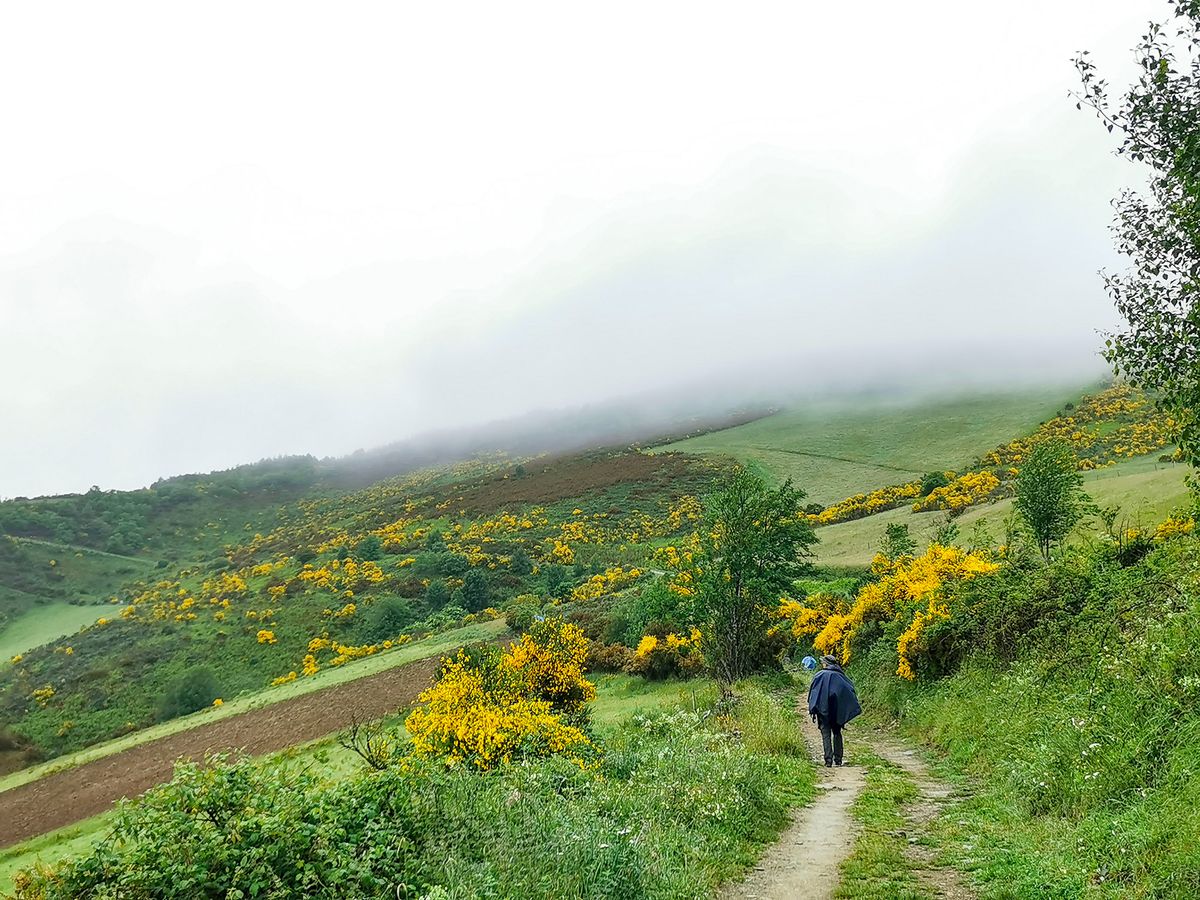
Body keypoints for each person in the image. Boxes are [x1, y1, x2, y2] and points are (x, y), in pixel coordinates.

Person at [807, 654, 861, 766]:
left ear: (826, 664)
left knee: (825, 733)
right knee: (837, 732)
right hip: (837, 710)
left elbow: (813, 694)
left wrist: (813, 709)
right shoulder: (841, 676)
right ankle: (838, 759)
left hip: (823, 710)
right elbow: (849, 692)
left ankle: (828, 760)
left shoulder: (819, 675)